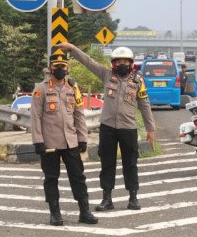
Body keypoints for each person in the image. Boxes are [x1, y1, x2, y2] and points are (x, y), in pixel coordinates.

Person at [56, 42, 156, 211]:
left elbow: (144, 105)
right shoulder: (106, 75)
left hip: (128, 128)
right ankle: (107, 199)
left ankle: (133, 197)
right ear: (113, 63)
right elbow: (88, 62)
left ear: (131, 64)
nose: (121, 64)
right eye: (118, 61)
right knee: (107, 163)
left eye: (125, 61)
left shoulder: (138, 81)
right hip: (108, 127)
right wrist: (72, 49)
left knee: (130, 163)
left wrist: (150, 129)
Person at [30, 51, 97, 226]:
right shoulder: (41, 89)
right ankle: (55, 214)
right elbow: (35, 117)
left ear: (67, 68)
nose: (60, 69)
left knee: (78, 177)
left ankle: (85, 212)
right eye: (56, 66)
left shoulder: (72, 88)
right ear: (50, 68)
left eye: (63, 66)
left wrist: (82, 138)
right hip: (50, 143)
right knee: (51, 178)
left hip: (71, 141)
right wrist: (38, 141)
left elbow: (79, 114)